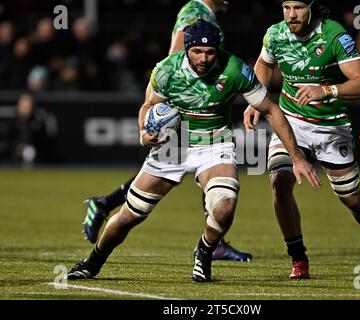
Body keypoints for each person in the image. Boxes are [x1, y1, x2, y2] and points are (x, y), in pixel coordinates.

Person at [67, 20, 320, 282]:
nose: (203, 58)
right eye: (197, 52)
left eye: (210, 52)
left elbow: (271, 110)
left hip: (215, 143)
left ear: (217, 50)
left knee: (224, 207)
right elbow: (149, 105)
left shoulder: (235, 69)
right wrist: (144, 133)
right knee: (130, 215)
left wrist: (297, 157)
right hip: (173, 145)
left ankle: (205, 250)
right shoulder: (167, 70)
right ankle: (92, 262)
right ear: (186, 49)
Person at [244, 0, 360, 278]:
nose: (291, 15)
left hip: (330, 126)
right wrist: (254, 99)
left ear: (311, 8)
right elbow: (263, 64)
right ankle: (298, 258)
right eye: (286, 8)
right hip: (291, 121)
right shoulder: (275, 34)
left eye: (298, 8)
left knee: (352, 198)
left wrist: (326, 90)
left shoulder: (334, 35)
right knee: (279, 182)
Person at [82, 0, 255, 262]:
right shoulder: (195, 13)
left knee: (209, 180)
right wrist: (162, 114)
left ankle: (107, 203)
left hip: (192, 114)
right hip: (184, 114)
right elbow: (176, 60)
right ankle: (105, 205)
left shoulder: (204, 14)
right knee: (154, 190)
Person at [7, 93, 58, 167]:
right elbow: (9, 140)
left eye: (28, 106)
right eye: (23, 106)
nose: (25, 109)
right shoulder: (13, 122)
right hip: (16, 159)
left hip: (38, 158)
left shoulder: (38, 122)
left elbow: (45, 141)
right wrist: (17, 147)